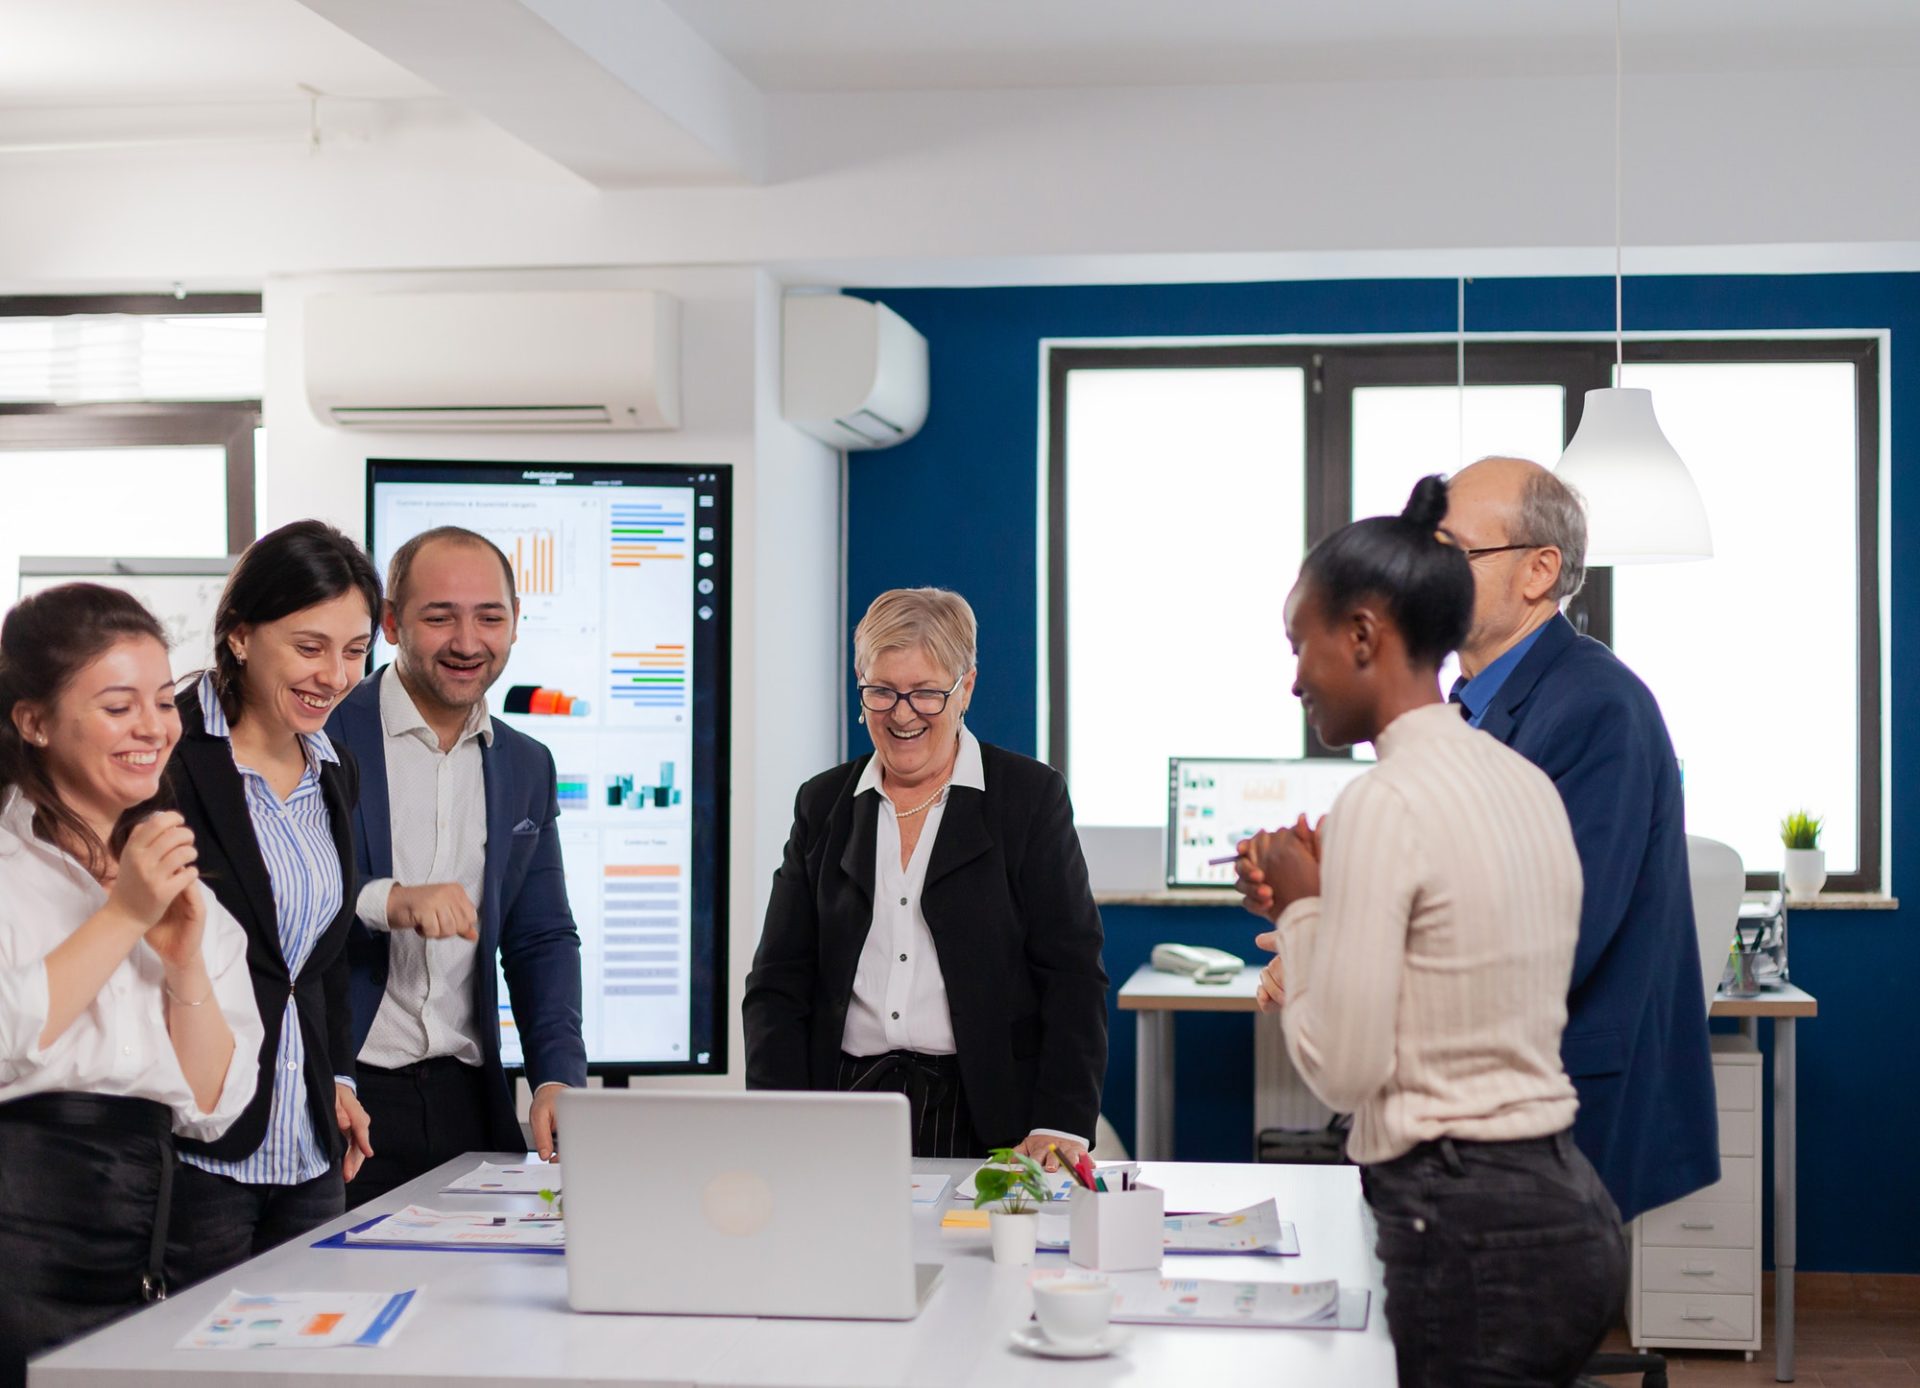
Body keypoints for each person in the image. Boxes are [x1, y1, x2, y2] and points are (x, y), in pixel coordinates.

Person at [1234, 477, 1625, 1386]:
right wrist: (1326, 905)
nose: (1296, 678)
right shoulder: (1518, 779)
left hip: (1464, 1225)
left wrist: (1300, 908)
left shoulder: (1385, 800)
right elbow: (1448, 986)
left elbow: (1344, 1065)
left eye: (1303, 644)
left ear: (1365, 635)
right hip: (1565, 1206)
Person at [1438, 455, 1717, 1223]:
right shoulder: (1474, 705)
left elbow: (1552, 939)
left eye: (1450, 552)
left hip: (1560, 1100)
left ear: (1539, 571)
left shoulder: (1596, 707)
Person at [743, 587, 1107, 1166]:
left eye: (927, 693)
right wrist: (776, 1116)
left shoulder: (1029, 799)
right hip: (842, 1104)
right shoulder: (823, 803)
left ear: (965, 688)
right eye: (882, 691)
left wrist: (1061, 1121)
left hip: (986, 1114)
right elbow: (778, 982)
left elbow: (1072, 974)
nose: (903, 713)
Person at [0, 585, 261, 1387]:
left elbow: (218, 1102)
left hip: (153, 1235)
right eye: (119, 706)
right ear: (34, 721)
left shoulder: (186, 891)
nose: (154, 727)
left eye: (161, 699)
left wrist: (181, 957)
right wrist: (123, 916)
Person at [328, 526, 586, 1206]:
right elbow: (276, 898)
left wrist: (557, 1076)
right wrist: (389, 899)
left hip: (470, 1097)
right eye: (439, 617)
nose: (468, 642)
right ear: (390, 622)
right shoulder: (323, 737)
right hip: (346, 1095)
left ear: (515, 623)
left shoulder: (527, 765)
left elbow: (541, 937)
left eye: (489, 617)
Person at [162, 521, 383, 1291]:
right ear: (240, 636)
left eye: (355, 651)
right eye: (310, 645)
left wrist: (339, 1079)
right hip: (198, 1148)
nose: (336, 674)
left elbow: (316, 959)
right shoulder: (168, 757)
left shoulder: (333, 768)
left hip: (307, 1144)